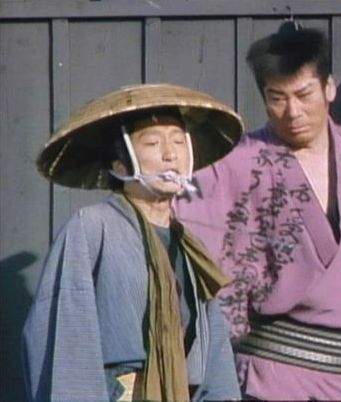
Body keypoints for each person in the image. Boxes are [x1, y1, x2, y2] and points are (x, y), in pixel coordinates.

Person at [174, 22, 341, 401]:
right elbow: (180, 219)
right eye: (277, 98)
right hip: (268, 377)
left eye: (303, 94)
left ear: (329, 88)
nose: (292, 111)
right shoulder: (236, 162)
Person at [22, 83, 243, 402]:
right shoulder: (93, 227)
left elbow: (215, 351)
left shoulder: (188, 245)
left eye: (178, 141)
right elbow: (65, 331)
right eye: (152, 143)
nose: (170, 154)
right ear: (120, 166)